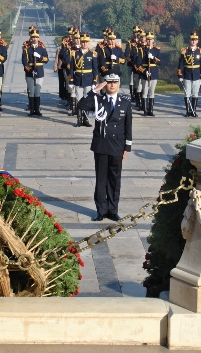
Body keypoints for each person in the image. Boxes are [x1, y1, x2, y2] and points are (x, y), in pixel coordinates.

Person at [77, 70, 132, 221]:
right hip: (101, 145)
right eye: (109, 82)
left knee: (114, 179)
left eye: (115, 82)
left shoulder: (125, 102)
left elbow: (128, 127)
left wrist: (127, 147)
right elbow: (81, 105)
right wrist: (94, 90)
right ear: (105, 83)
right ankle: (101, 210)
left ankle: (113, 210)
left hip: (117, 146)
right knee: (101, 179)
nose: (112, 85)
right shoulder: (98, 100)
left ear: (118, 84)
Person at [69, 32, 98, 127]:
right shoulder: (75, 53)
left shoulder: (92, 54)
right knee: (79, 100)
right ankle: (79, 119)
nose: (84, 44)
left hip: (88, 80)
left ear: (88, 43)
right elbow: (72, 68)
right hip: (78, 79)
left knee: (87, 101)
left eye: (86, 42)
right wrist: (71, 81)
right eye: (83, 42)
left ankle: (86, 119)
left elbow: (95, 69)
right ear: (80, 42)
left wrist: (94, 81)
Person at [177, 30, 201, 117]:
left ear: (197, 41)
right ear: (189, 40)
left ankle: (194, 110)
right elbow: (181, 63)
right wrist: (180, 74)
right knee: (187, 93)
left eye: (195, 40)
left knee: (195, 94)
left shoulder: (200, 51)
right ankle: (188, 111)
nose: (193, 41)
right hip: (187, 74)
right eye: (192, 40)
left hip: (197, 74)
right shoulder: (185, 51)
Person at [21, 28, 49, 116]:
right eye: (33, 37)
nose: (34, 39)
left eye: (36, 37)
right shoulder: (27, 48)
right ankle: (32, 110)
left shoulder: (42, 48)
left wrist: (39, 57)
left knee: (37, 90)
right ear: (30, 37)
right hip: (30, 71)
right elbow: (24, 61)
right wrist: (30, 69)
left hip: (39, 71)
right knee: (31, 91)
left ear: (38, 38)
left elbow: (46, 59)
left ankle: (37, 109)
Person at [135, 31, 161, 117]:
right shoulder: (142, 50)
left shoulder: (156, 50)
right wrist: (144, 71)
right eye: (148, 39)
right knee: (144, 92)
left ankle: (151, 110)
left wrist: (153, 58)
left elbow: (160, 62)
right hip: (144, 73)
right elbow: (138, 63)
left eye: (151, 39)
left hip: (153, 73)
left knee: (152, 92)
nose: (150, 41)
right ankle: (145, 110)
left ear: (153, 40)